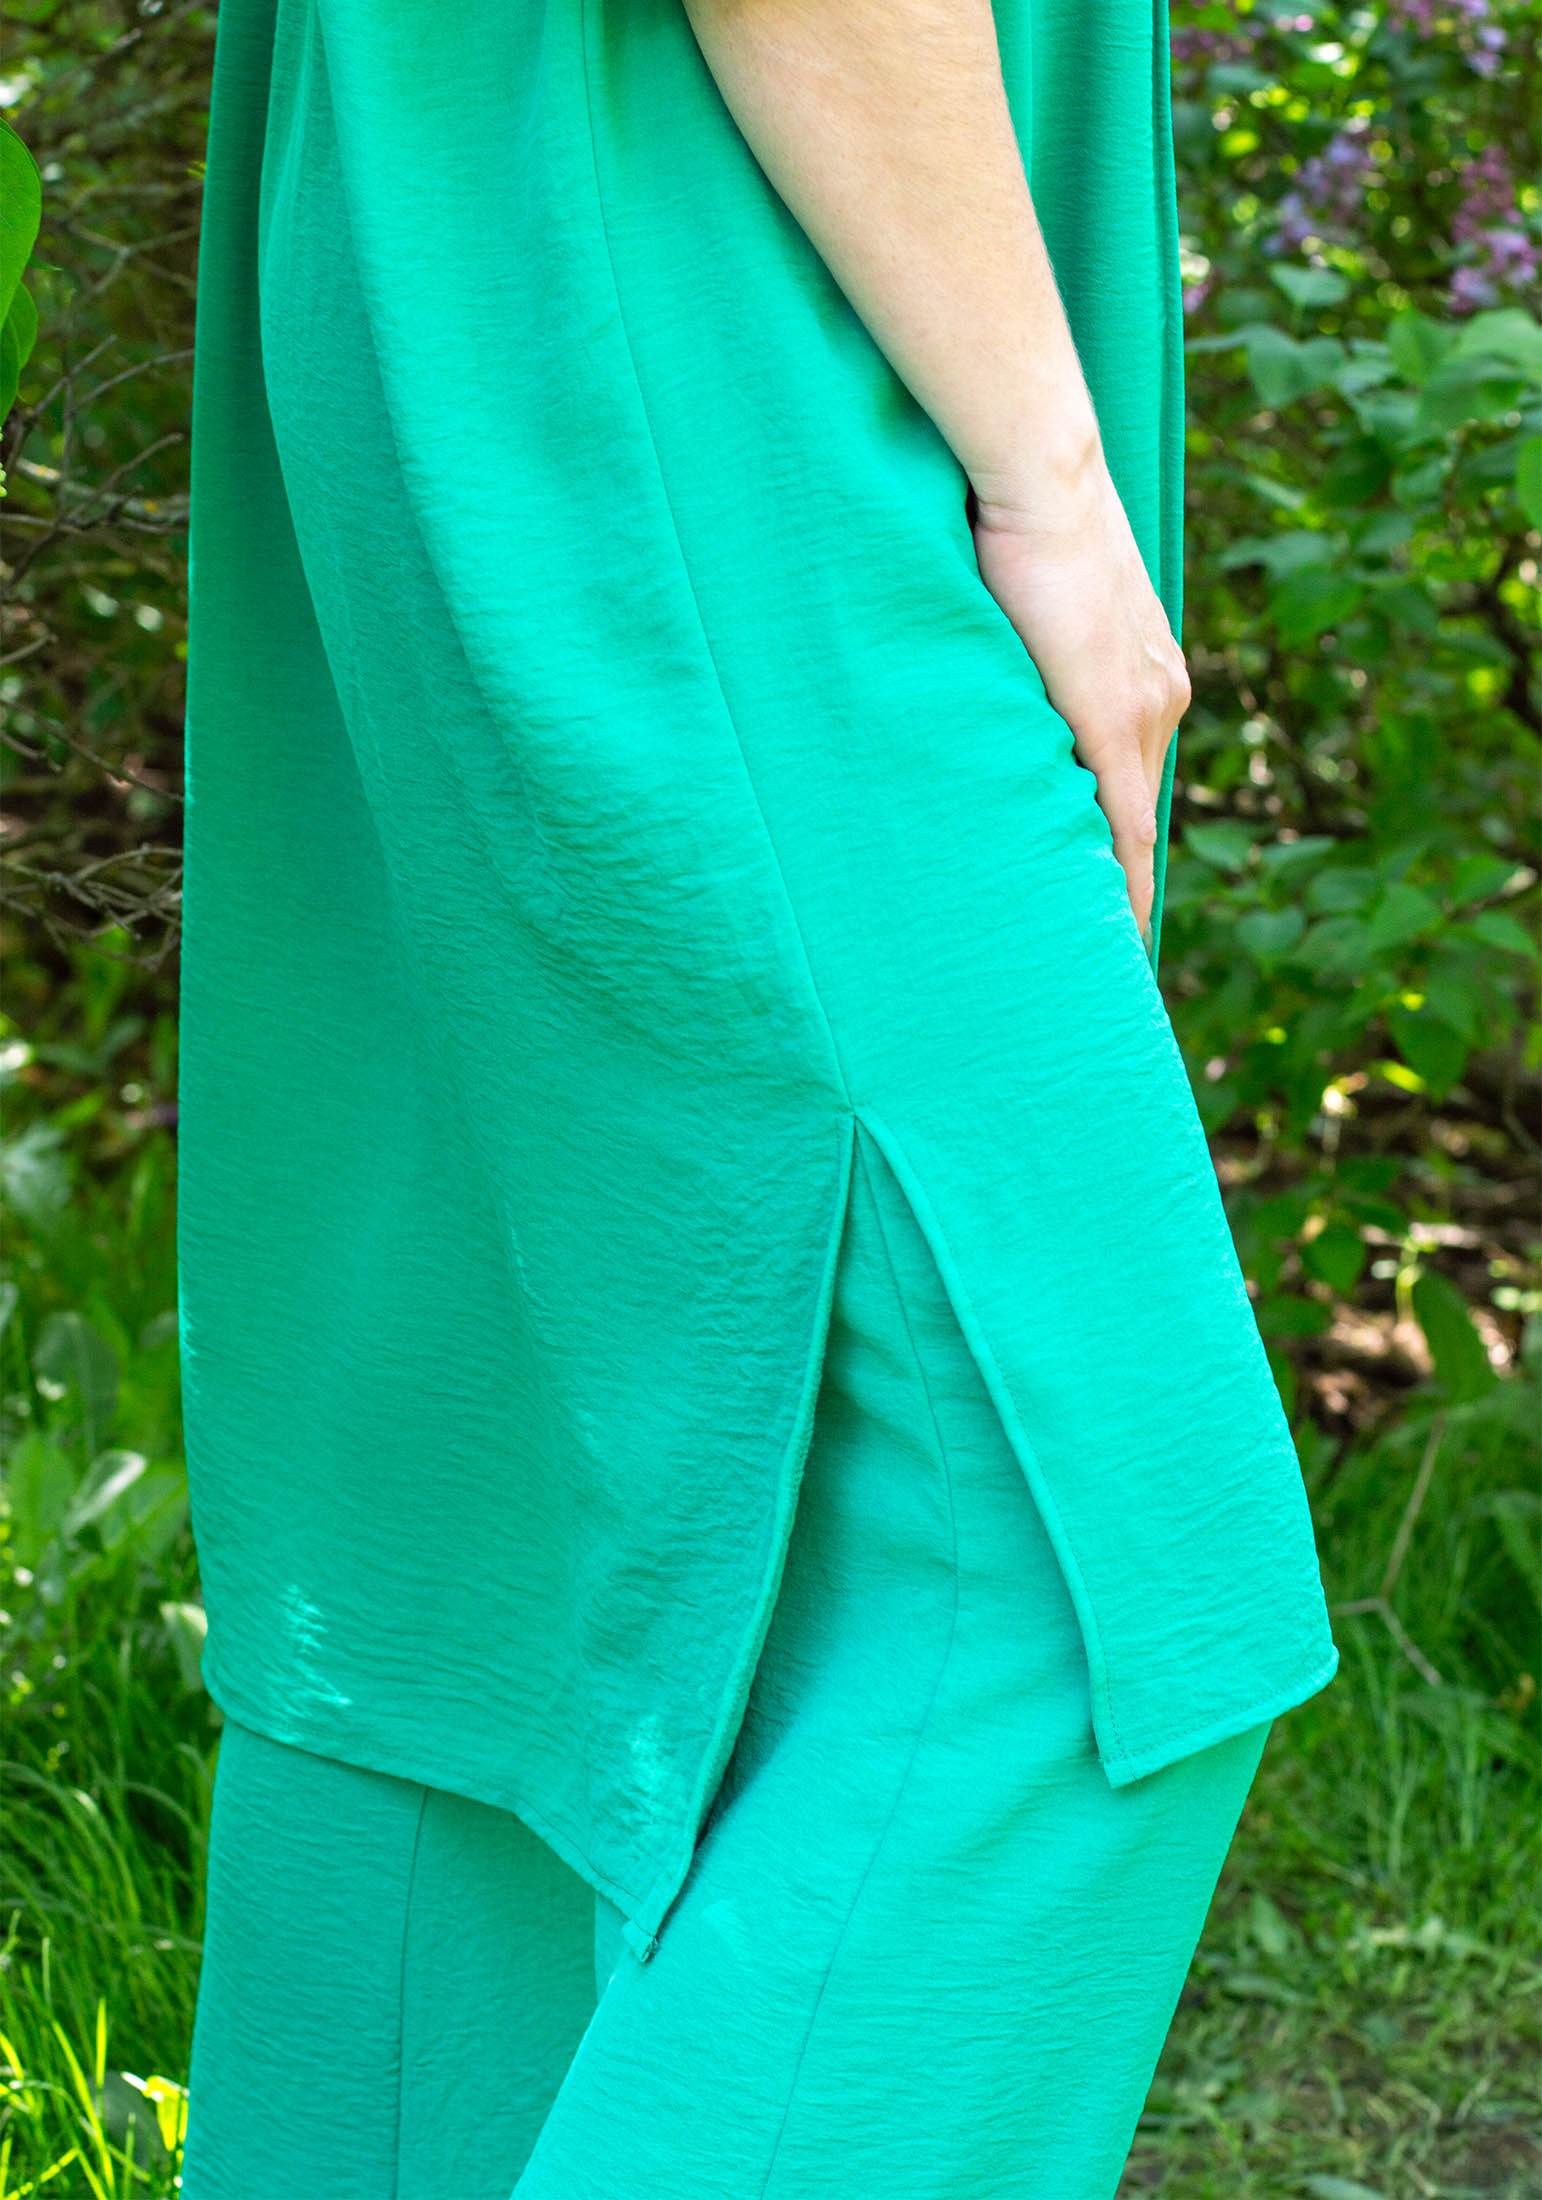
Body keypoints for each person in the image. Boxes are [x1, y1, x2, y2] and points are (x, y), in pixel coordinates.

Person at [175, 0, 1341, 2189]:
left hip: (483, 251)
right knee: (1076, 1608)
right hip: (709, 312)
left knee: (485, 1556)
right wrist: (1052, 479)